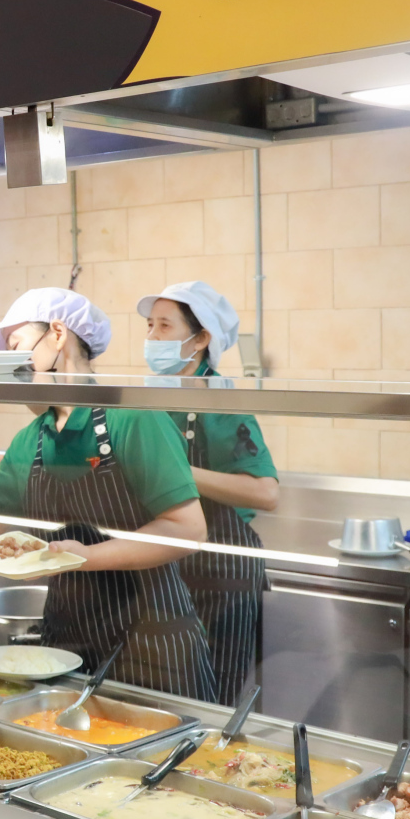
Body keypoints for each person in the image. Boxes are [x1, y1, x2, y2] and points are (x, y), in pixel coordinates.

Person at [0, 289, 216, 698]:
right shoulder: (33, 439)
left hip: (154, 648)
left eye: (16, 347)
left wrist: (85, 557)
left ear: (57, 334)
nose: (12, 364)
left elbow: (187, 528)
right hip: (65, 647)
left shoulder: (132, 418)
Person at [139, 281, 279, 702]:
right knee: (157, 692)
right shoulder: (144, 396)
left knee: (210, 698)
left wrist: (178, 471)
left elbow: (265, 493)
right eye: (150, 326)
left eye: (165, 326)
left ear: (200, 339)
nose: (152, 337)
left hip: (219, 572)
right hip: (162, 563)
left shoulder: (220, 402)